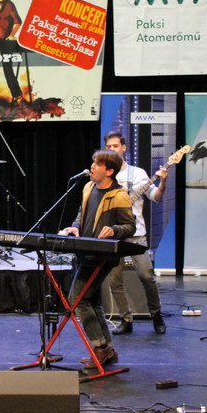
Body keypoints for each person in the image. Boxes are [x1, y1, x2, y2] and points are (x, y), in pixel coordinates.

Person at [60, 150, 135, 370]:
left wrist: (114, 229)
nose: (92, 166)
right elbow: (81, 214)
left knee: (77, 299)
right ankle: (107, 349)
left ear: (109, 171)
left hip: (102, 256)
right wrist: (75, 226)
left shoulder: (119, 195)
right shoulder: (88, 188)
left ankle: (99, 347)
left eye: (97, 164)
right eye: (93, 162)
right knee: (91, 301)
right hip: (85, 251)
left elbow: (130, 226)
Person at [102, 131, 168, 335]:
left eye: (115, 146)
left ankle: (156, 314)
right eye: (109, 147)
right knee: (115, 280)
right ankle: (125, 318)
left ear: (124, 148)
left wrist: (163, 182)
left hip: (136, 233)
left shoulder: (138, 174)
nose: (112, 149)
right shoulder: (104, 175)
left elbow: (155, 196)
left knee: (146, 276)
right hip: (113, 234)